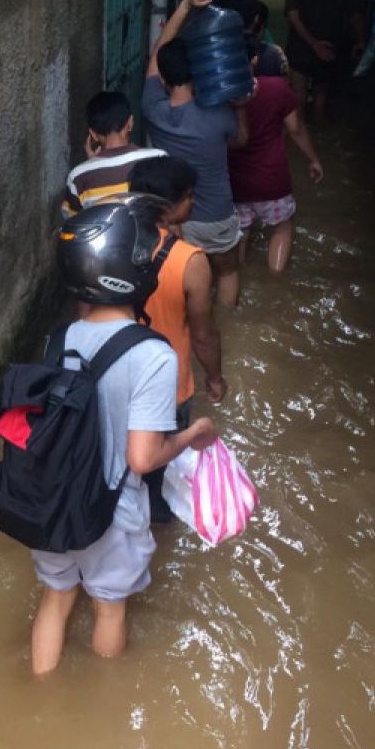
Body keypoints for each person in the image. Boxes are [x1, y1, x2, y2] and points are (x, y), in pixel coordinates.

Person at [31, 198, 220, 675]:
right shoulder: (153, 355)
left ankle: (42, 699)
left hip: (51, 502)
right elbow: (141, 458)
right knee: (109, 608)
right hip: (110, 512)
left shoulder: (59, 339)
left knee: (55, 599)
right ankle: (103, 708)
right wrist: (192, 433)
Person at [129, 156, 227, 522]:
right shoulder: (191, 261)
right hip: (167, 389)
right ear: (168, 207)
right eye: (188, 196)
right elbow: (203, 333)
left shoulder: (113, 242)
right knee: (160, 479)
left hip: (118, 378)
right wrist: (215, 378)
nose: (194, 202)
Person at [144, 0, 251, 308]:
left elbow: (156, 56)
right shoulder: (218, 115)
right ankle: (228, 323)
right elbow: (241, 140)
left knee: (180, 279)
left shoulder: (152, 108)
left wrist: (186, 5)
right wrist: (243, 105)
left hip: (173, 215)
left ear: (163, 73)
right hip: (215, 215)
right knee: (228, 272)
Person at [228, 42, 324, 273]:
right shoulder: (278, 88)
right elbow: (296, 129)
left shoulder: (221, 95)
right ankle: (276, 278)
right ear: (253, 61)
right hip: (273, 180)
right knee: (282, 227)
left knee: (241, 231)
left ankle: (239, 277)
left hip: (236, 181)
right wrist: (314, 159)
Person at [62, 91, 166, 218]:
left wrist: (91, 164)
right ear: (130, 122)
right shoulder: (159, 158)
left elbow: (74, 222)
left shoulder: (78, 176)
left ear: (93, 134)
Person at [284, 0, 366, 118]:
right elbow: (355, 16)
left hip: (301, 44)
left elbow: (293, 17)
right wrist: (361, 39)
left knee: (299, 95)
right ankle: (319, 129)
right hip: (329, 44)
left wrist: (313, 43)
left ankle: (297, 131)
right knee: (320, 95)